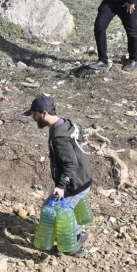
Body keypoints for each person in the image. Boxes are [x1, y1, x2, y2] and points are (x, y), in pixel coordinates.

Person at [25, 96, 92, 255]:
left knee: (58, 211)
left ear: (44, 113)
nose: (33, 118)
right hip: (82, 177)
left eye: (34, 114)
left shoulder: (59, 137)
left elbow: (71, 164)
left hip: (75, 183)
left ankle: (76, 240)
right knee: (55, 209)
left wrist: (61, 186)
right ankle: (74, 244)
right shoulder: (67, 124)